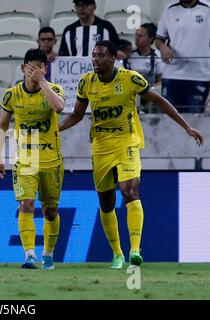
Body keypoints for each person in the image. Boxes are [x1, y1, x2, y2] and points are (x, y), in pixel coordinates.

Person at [58, 40, 204, 269]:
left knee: (129, 190)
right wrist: (56, 129)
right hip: (100, 146)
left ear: (113, 57)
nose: (95, 59)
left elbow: (161, 101)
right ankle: (117, 254)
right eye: (93, 55)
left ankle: (135, 250)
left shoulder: (130, 79)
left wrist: (187, 127)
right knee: (106, 203)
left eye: (100, 55)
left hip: (127, 142)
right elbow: (76, 115)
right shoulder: (86, 82)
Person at [0, 48, 65, 270]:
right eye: (31, 66)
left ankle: (48, 254)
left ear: (46, 68)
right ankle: (29, 256)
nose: (34, 70)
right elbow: (2, 125)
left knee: (50, 210)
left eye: (39, 66)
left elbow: (59, 107)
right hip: (25, 159)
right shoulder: (12, 94)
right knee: (26, 204)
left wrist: (42, 82)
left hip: (51, 159)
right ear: (23, 68)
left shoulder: (53, 89)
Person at [155, 0, 210, 113]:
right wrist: (162, 47)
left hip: (199, 75)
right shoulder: (169, 9)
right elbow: (159, 39)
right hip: (172, 74)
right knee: (168, 119)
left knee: (195, 121)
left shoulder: (207, 8)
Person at [58, 0, 123, 58]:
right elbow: (62, 55)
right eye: (78, 5)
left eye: (85, 5)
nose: (80, 8)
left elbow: (118, 49)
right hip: (76, 70)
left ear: (94, 7)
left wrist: (120, 52)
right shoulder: (69, 30)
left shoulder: (106, 27)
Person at [129, 23, 165, 113]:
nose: (137, 38)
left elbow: (162, 79)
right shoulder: (129, 55)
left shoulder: (157, 56)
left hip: (150, 94)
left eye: (141, 36)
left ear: (151, 38)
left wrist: (151, 90)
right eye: (136, 35)